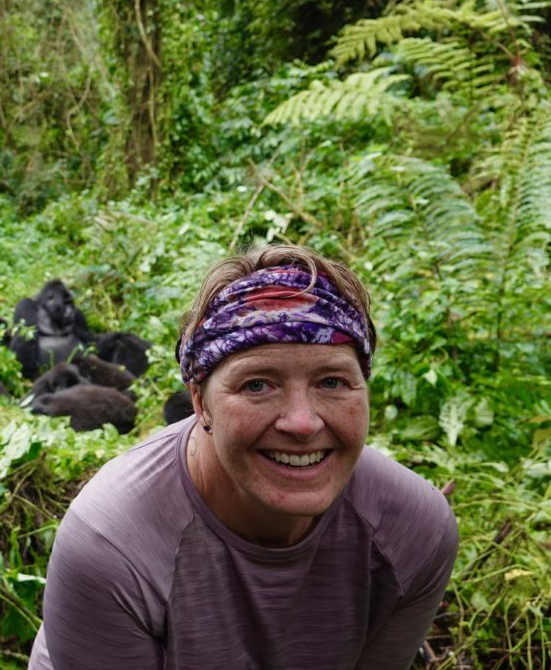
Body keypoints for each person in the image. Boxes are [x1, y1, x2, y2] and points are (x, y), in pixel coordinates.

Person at [28, 245, 458, 669]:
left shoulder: (415, 533)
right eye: (257, 385)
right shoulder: (112, 544)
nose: (302, 423)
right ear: (200, 402)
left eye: (332, 382)